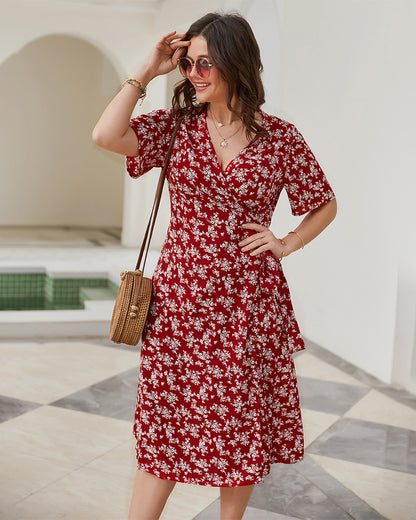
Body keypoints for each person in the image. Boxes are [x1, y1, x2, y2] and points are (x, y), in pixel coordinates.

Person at [93, 11, 337, 520]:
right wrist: (148, 69)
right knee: (165, 424)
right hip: (179, 307)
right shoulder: (176, 129)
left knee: (239, 424)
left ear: (236, 62)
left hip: (249, 305)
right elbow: (105, 135)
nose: (194, 74)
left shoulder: (280, 138)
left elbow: (324, 202)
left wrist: (286, 242)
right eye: (188, 64)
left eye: (205, 63)